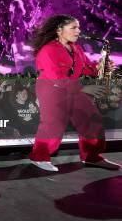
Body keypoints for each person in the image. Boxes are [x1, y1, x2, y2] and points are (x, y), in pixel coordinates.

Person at [28, 14, 119, 172]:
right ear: (59, 30)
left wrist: (101, 67)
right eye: (74, 27)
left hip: (73, 88)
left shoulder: (75, 48)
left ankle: (92, 156)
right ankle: (39, 157)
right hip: (51, 90)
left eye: (79, 27)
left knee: (91, 119)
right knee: (53, 125)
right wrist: (84, 89)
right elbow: (56, 77)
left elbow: (86, 67)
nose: (78, 30)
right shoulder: (48, 50)